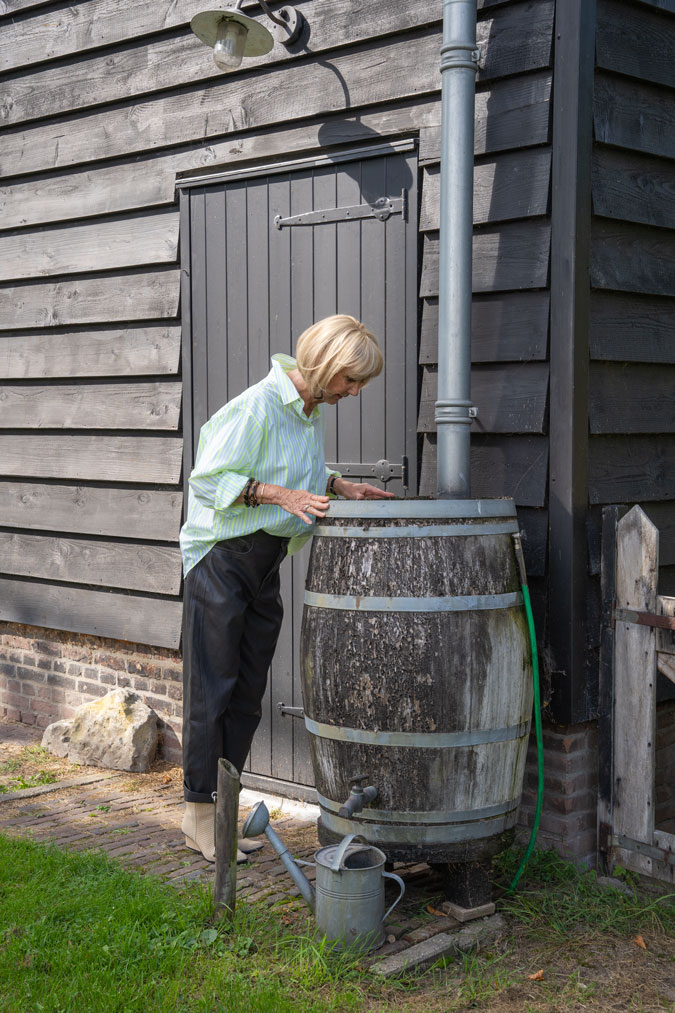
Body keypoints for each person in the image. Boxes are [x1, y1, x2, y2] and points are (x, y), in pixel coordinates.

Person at [179, 314, 394, 862]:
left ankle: (225, 811)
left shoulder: (308, 413)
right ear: (325, 366)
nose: (355, 391)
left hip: (263, 564)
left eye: (360, 382)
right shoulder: (256, 407)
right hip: (221, 561)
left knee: (248, 694)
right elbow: (206, 482)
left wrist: (339, 485)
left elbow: (296, 471)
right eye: (351, 379)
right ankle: (197, 813)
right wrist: (280, 498)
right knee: (214, 689)